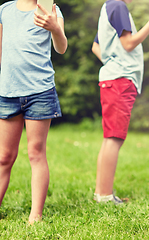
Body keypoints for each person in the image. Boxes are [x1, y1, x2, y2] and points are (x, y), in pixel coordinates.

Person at [91, 0, 149, 204]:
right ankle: (105, 196)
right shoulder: (118, 6)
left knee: (111, 138)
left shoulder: (109, 7)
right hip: (120, 80)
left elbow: (96, 46)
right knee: (114, 138)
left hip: (113, 78)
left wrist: (111, 62)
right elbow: (129, 43)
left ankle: (102, 193)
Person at [0, 0, 67, 224]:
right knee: (3, 157)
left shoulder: (51, 9)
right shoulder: (4, 10)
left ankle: (35, 215)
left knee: (35, 153)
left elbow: (61, 47)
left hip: (40, 91)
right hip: (8, 91)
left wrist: (55, 28)